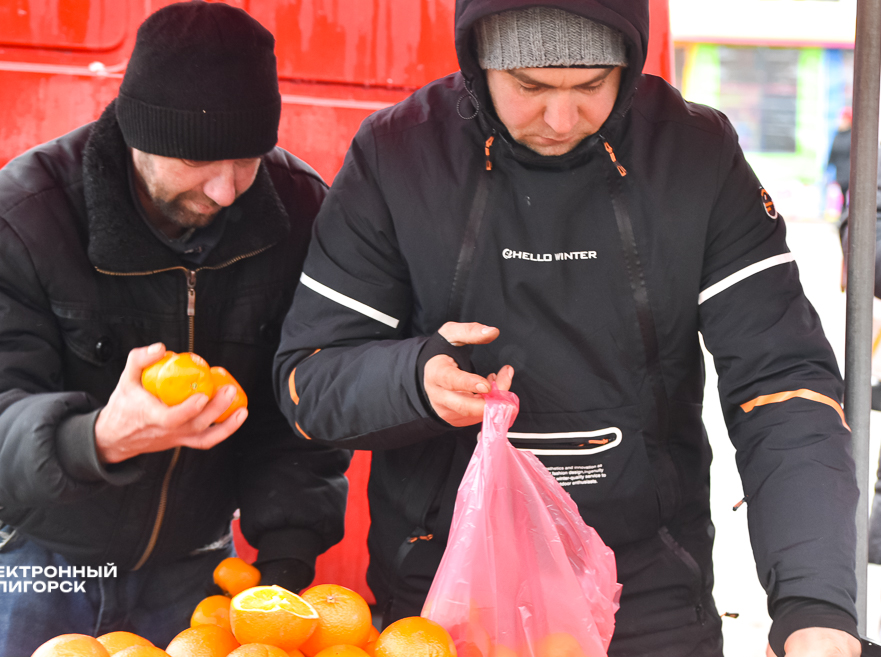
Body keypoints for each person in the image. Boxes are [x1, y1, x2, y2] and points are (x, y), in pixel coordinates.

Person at [273, 1, 859, 656]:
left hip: (647, 593)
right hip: (445, 593)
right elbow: (308, 380)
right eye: (529, 86)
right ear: (476, 62)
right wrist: (413, 381)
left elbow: (781, 386)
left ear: (629, 63)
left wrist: (814, 603)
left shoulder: (694, 157)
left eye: (590, 85)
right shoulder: (397, 156)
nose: (560, 119)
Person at [0, 3, 349, 656]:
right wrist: (96, 436)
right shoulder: (18, 220)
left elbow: (298, 407)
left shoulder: (297, 212)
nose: (228, 189)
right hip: (22, 556)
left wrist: (283, 568)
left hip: (189, 569)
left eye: (248, 157)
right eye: (199, 161)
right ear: (136, 132)